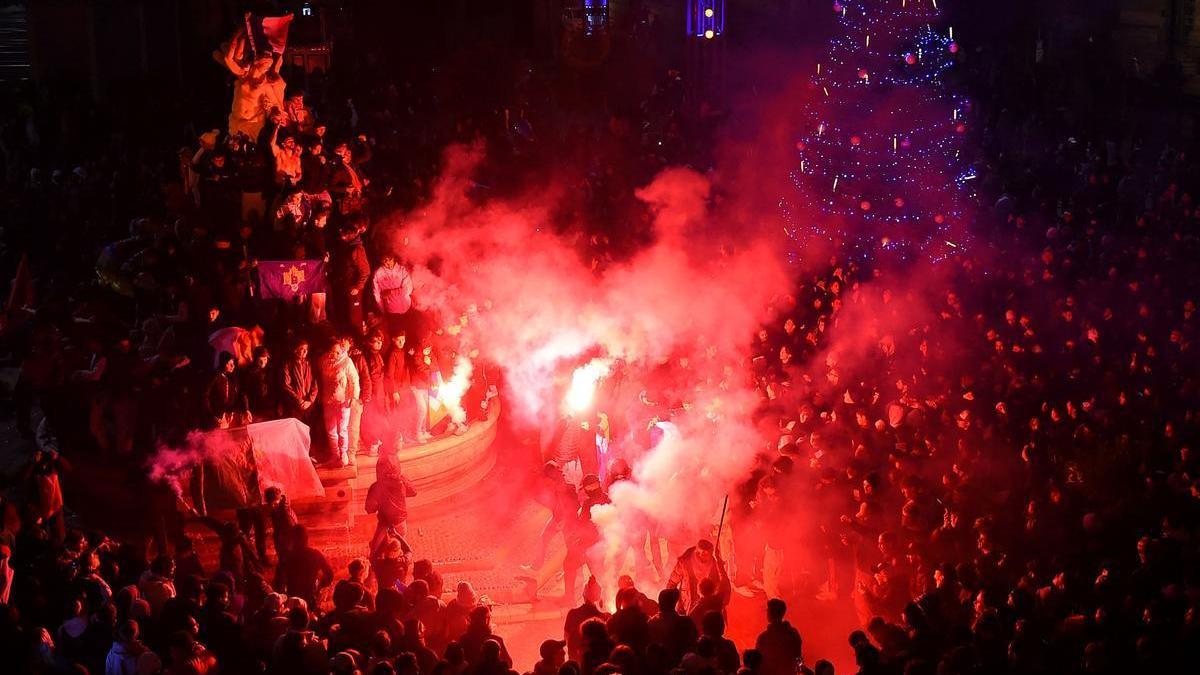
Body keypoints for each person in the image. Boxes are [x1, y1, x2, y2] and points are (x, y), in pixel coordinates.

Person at [319, 337, 361, 466]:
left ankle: (343, 455)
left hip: (343, 402)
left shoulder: (346, 362)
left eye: (337, 352)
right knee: (331, 430)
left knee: (342, 430)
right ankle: (335, 455)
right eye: (332, 351)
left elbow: (354, 380)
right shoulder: (323, 361)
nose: (335, 354)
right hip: (328, 401)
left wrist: (353, 398)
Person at [365, 457, 418, 553]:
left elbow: (369, 509)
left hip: (385, 523)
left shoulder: (376, 487)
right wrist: (402, 478)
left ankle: (376, 563)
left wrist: (378, 502)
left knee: (376, 550)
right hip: (399, 521)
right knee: (399, 548)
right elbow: (413, 492)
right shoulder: (401, 481)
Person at [282, 525, 334, 609]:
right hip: (310, 597)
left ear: (291, 540)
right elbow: (330, 574)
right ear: (306, 538)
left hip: (292, 599)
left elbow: (278, 581)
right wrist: (320, 587)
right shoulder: (315, 554)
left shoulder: (287, 556)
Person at [668, 539, 724, 614]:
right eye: (703, 554)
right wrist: (670, 605)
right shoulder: (684, 563)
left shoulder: (713, 565)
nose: (705, 556)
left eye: (708, 554)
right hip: (685, 607)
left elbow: (718, 585)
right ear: (698, 553)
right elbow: (672, 583)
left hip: (705, 609)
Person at [648, 587, 698, 666]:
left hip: (659, 667)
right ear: (674, 604)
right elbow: (694, 643)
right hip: (682, 666)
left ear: (659, 603)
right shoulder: (686, 622)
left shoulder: (651, 623)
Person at [564, 576, 608, 663]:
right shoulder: (602, 617)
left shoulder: (572, 613)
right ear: (599, 596)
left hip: (574, 659)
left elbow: (566, 636)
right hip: (594, 662)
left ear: (583, 595)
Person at [754, 599, 802, 675]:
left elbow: (757, 661)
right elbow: (798, 657)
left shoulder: (764, 638)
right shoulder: (793, 634)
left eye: (768, 610)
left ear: (770, 613)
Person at [372, 254, 414, 334]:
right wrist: (382, 309)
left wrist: (391, 292)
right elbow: (376, 294)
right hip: (391, 312)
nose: (387, 263)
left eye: (389, 259)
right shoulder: (378, 273)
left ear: (393, 259)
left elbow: (408, 289)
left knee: (408, 334)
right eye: (384, 260)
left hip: (407, 309)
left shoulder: (401, 270)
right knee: (396, 335)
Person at [281, 339, 319, 424]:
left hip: (309, 406)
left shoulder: (310, 364)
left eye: (306, 349)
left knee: (309, 430)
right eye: (302, 348)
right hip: (295, 406)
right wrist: (299, 401)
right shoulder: (288, 364)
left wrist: (310, 400)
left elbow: (315, 383)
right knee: (296, 430)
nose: (305, 351)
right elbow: (286, 385)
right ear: (296, 350)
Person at [242, 345, 278, 422]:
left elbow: (277, 388)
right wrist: (246, 409)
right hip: (256, 409)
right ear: (255, 359)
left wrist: (279, 404)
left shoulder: (271, 370)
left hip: (271, 408)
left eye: (265, 359)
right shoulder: (249, 372)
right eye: (260, 360)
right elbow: (244, 392)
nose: (262, 363)